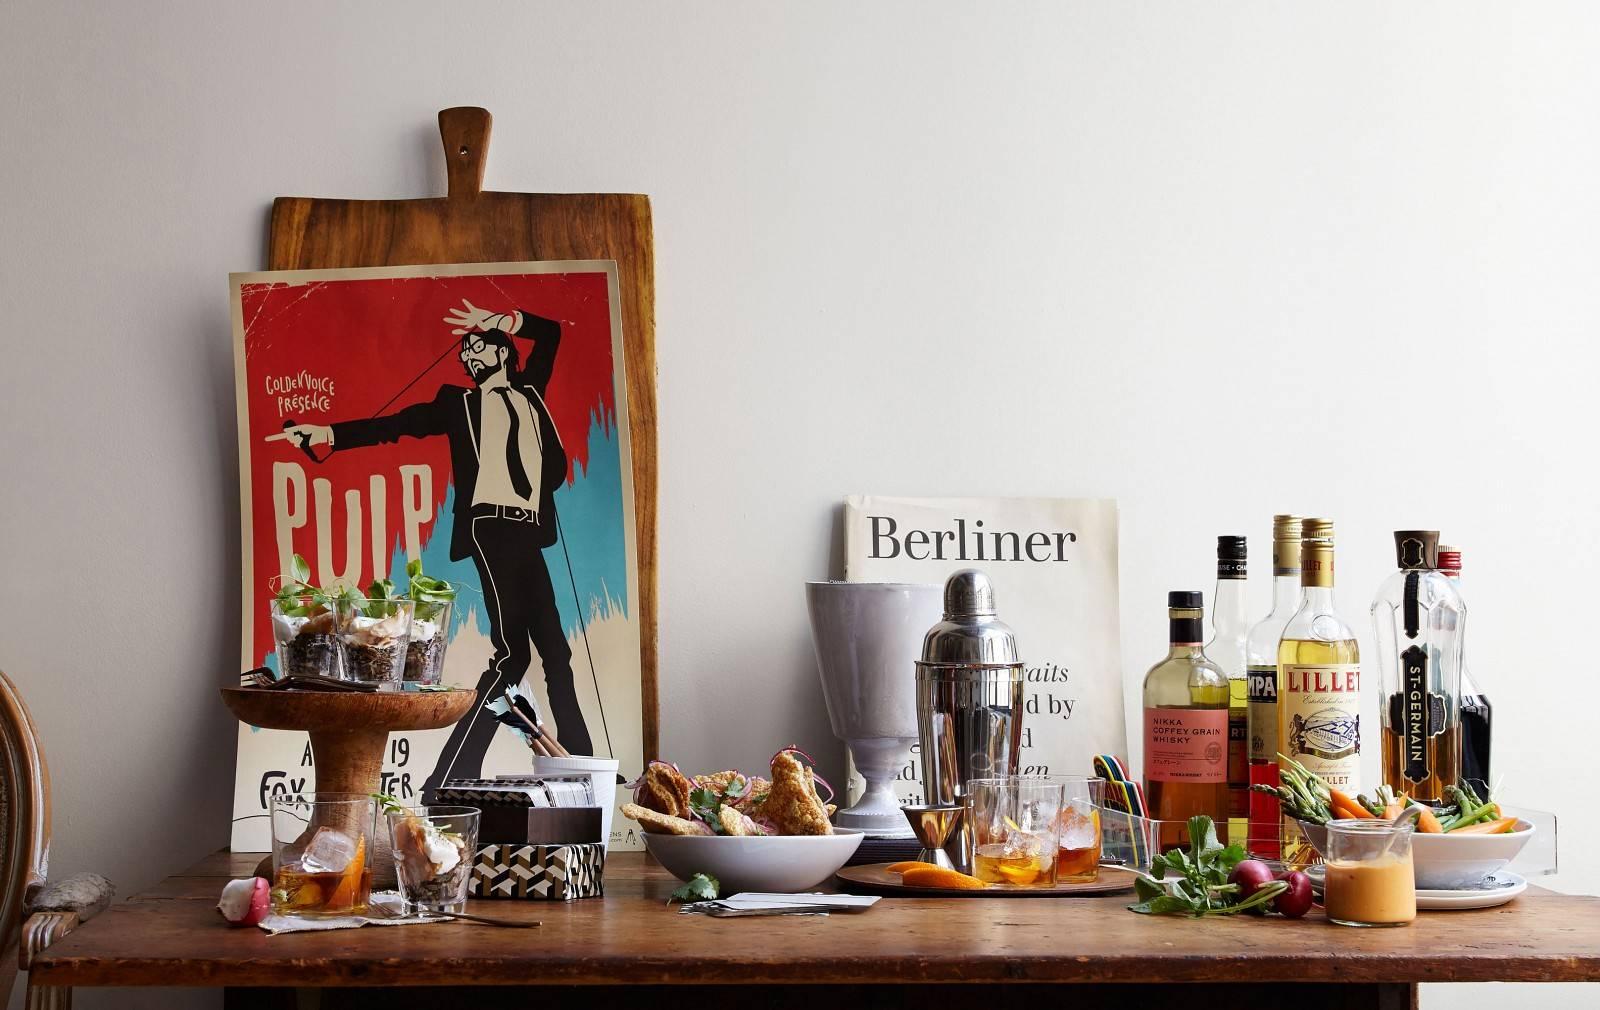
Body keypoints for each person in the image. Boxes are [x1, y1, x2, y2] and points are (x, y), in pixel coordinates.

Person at [283, 299, 595, 799]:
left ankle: (582, 766)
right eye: (466, 354)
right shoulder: (459, 404)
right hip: (491, 529)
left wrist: (507, 320)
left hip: (528, 531)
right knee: (513, 654)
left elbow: (552, 334)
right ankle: (445, 780)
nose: (470, 357)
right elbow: (396, 425)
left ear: (502, 351)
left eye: (478, 347)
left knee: (556, 651)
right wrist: (329, 434)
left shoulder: (530, 391)